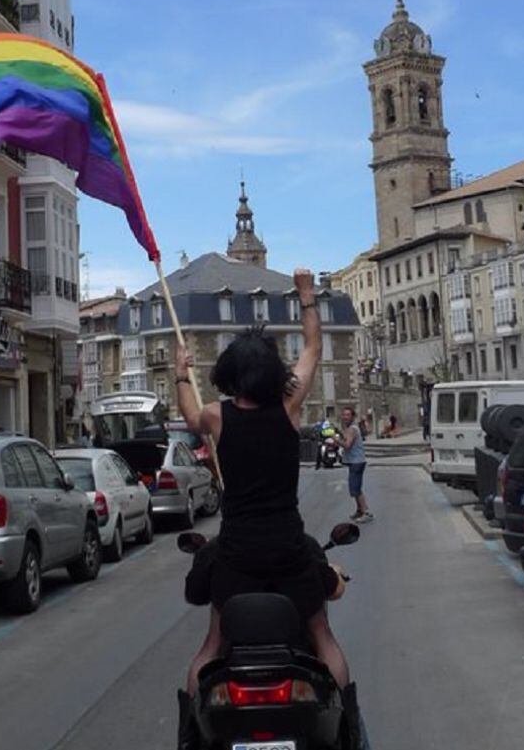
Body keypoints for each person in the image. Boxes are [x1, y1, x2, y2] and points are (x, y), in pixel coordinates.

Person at [173, 268, 363, 750]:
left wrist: (180, 372)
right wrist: (304, 297)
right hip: (288, 549)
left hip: (237, 552)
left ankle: (190, 731)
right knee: (321, 634)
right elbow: (315, 349)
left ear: (232, 375)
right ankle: (350, 724)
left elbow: (191, 416)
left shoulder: (219, 416)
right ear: (272, 374)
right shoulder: (289, 406)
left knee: (212, 644)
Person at [339, 407, 373, 523]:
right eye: (344, 415)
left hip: (356, 462)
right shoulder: (350, 428)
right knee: (355, 487)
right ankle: (359, 510)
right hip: (354, 461)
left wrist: (335, 440)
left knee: (355, 488)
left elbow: (347, 445)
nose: (345, 417)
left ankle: (366, 512)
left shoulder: (352, 429)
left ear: (352, 417)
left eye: (347, 415)